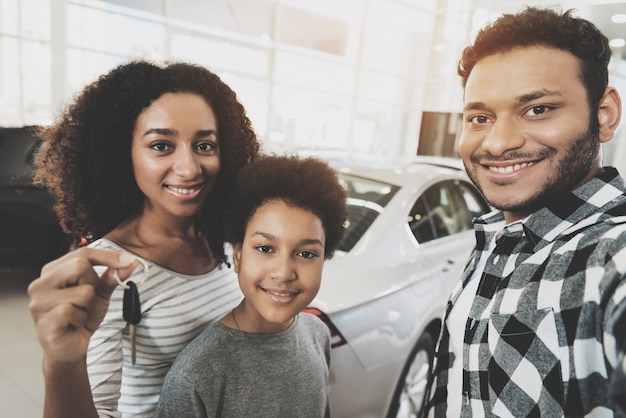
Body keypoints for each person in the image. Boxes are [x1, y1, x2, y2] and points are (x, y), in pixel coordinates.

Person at [422, 7, 626, 417]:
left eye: (537, 109)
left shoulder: (610, 256)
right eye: (480, 117)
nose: (497, 143)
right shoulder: (497, 235)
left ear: (604, 116)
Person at [27, 60, 259, 418]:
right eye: (162, 146)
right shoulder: (110, 272)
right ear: (125, 154)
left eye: (204, 145)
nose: (189, 168)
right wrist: (60, 365)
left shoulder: (226, 239)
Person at [155, 154, 348, 417]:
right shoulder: (197, 375)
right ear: (237, 256)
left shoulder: (317, 335)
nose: (283, 273)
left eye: (306, 254)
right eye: (265, 248)